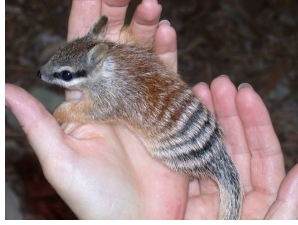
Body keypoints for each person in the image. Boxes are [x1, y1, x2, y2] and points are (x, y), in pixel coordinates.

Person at [5, 0, 298, 219]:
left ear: (95, 65)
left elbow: (98, 111)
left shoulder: (110, 89)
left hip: (179, 145)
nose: (48, 76)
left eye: (65, 75)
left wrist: (65, 113)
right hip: (196, 132)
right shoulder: (120, 56)